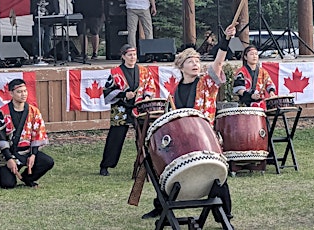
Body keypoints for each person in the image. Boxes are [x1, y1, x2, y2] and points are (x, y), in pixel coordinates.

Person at [141, 24, 237, 228]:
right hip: (182, 139)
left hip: (204, 136)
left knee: (216, 175)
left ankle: (225, 213)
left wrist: (225, 40)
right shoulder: (173, 92)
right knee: (163, 166)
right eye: (190, 61)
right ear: (181, 66)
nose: (195, 64)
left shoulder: (206, 83)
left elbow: (218, 63)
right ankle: (161, 206)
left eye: (197, 60)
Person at [100, 44, 157, 176]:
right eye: (130, 55)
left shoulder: (143, 71)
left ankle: (146, 164)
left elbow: (150, 86)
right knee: (116, 137)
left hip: (140, 106)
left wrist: (147, 95)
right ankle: (106, 165)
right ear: (123, 56)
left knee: (144, 136)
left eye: (134, 55)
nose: (133, 57)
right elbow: (107, 91)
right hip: (120, 108)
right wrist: (123, 94)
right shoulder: (115, 72)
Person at [0, 79, 54, 189]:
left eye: (25, 91)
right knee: (7, 184)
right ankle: (7, 172)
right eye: (19, 92)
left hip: (27, 152)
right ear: (11, 93)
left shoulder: (34, 111)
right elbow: (0, 139)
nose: (23, 94)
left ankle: (27, 178)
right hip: (9, 153)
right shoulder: (2, 113)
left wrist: (33, 154)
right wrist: (9, 159)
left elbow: (37, 134)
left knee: (48, 162)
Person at [233, 45, 276, 109]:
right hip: (246, 103)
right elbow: (239, 89)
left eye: (256, 54)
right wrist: (251, 96)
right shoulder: (241, 72)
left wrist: (271, 92)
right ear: (245, 57)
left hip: (261, 103)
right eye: (251, 54)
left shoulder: (262, 71)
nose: (254, 56)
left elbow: (269, 83)